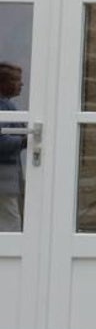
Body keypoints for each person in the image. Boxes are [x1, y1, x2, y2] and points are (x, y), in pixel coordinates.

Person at [0, 63, 26, 232]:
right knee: (11, 223)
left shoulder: (8, 105)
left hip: (10, 175)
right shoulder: (3, 107)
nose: (21, 84)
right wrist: (25, 141)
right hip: (4, 176)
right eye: (15, 80)